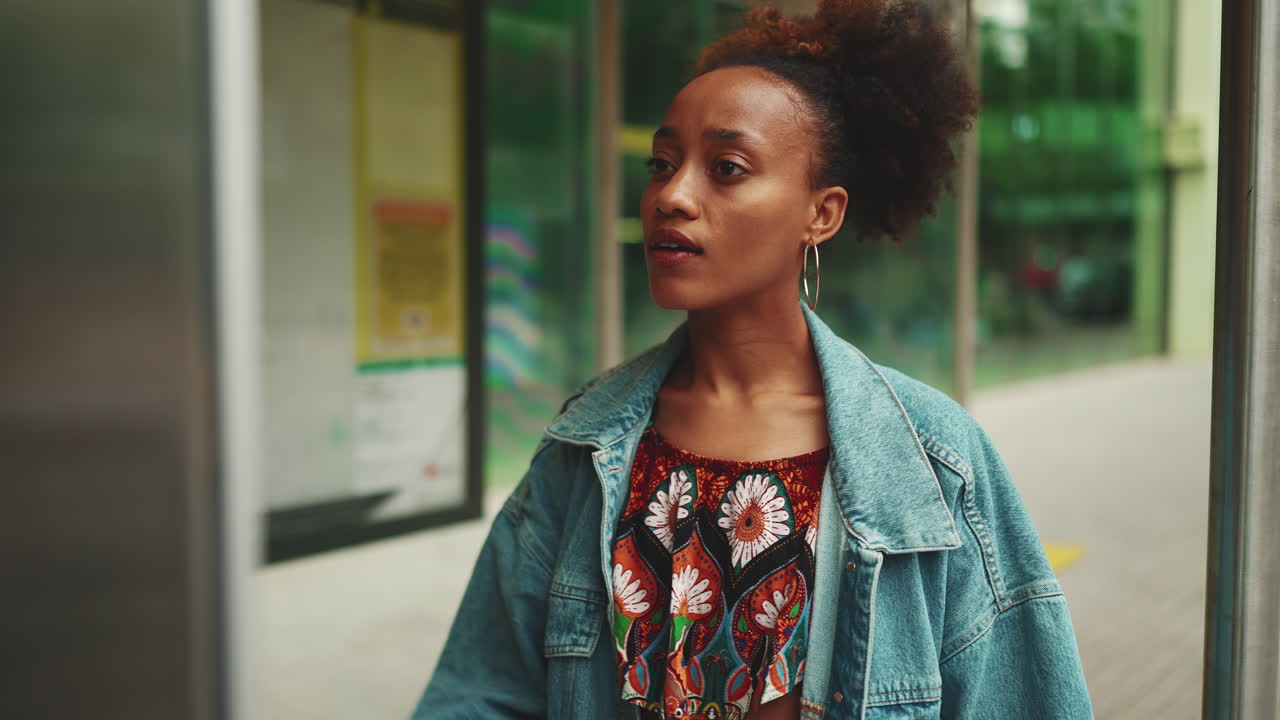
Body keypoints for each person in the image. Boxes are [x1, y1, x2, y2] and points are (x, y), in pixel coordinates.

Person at [414, 0, 1092, 717]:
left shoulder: (935, 460)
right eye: (662, 163)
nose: (671, 196)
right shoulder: (586, 444)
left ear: (821, 214)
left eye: (727, 167)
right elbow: (481, 693)